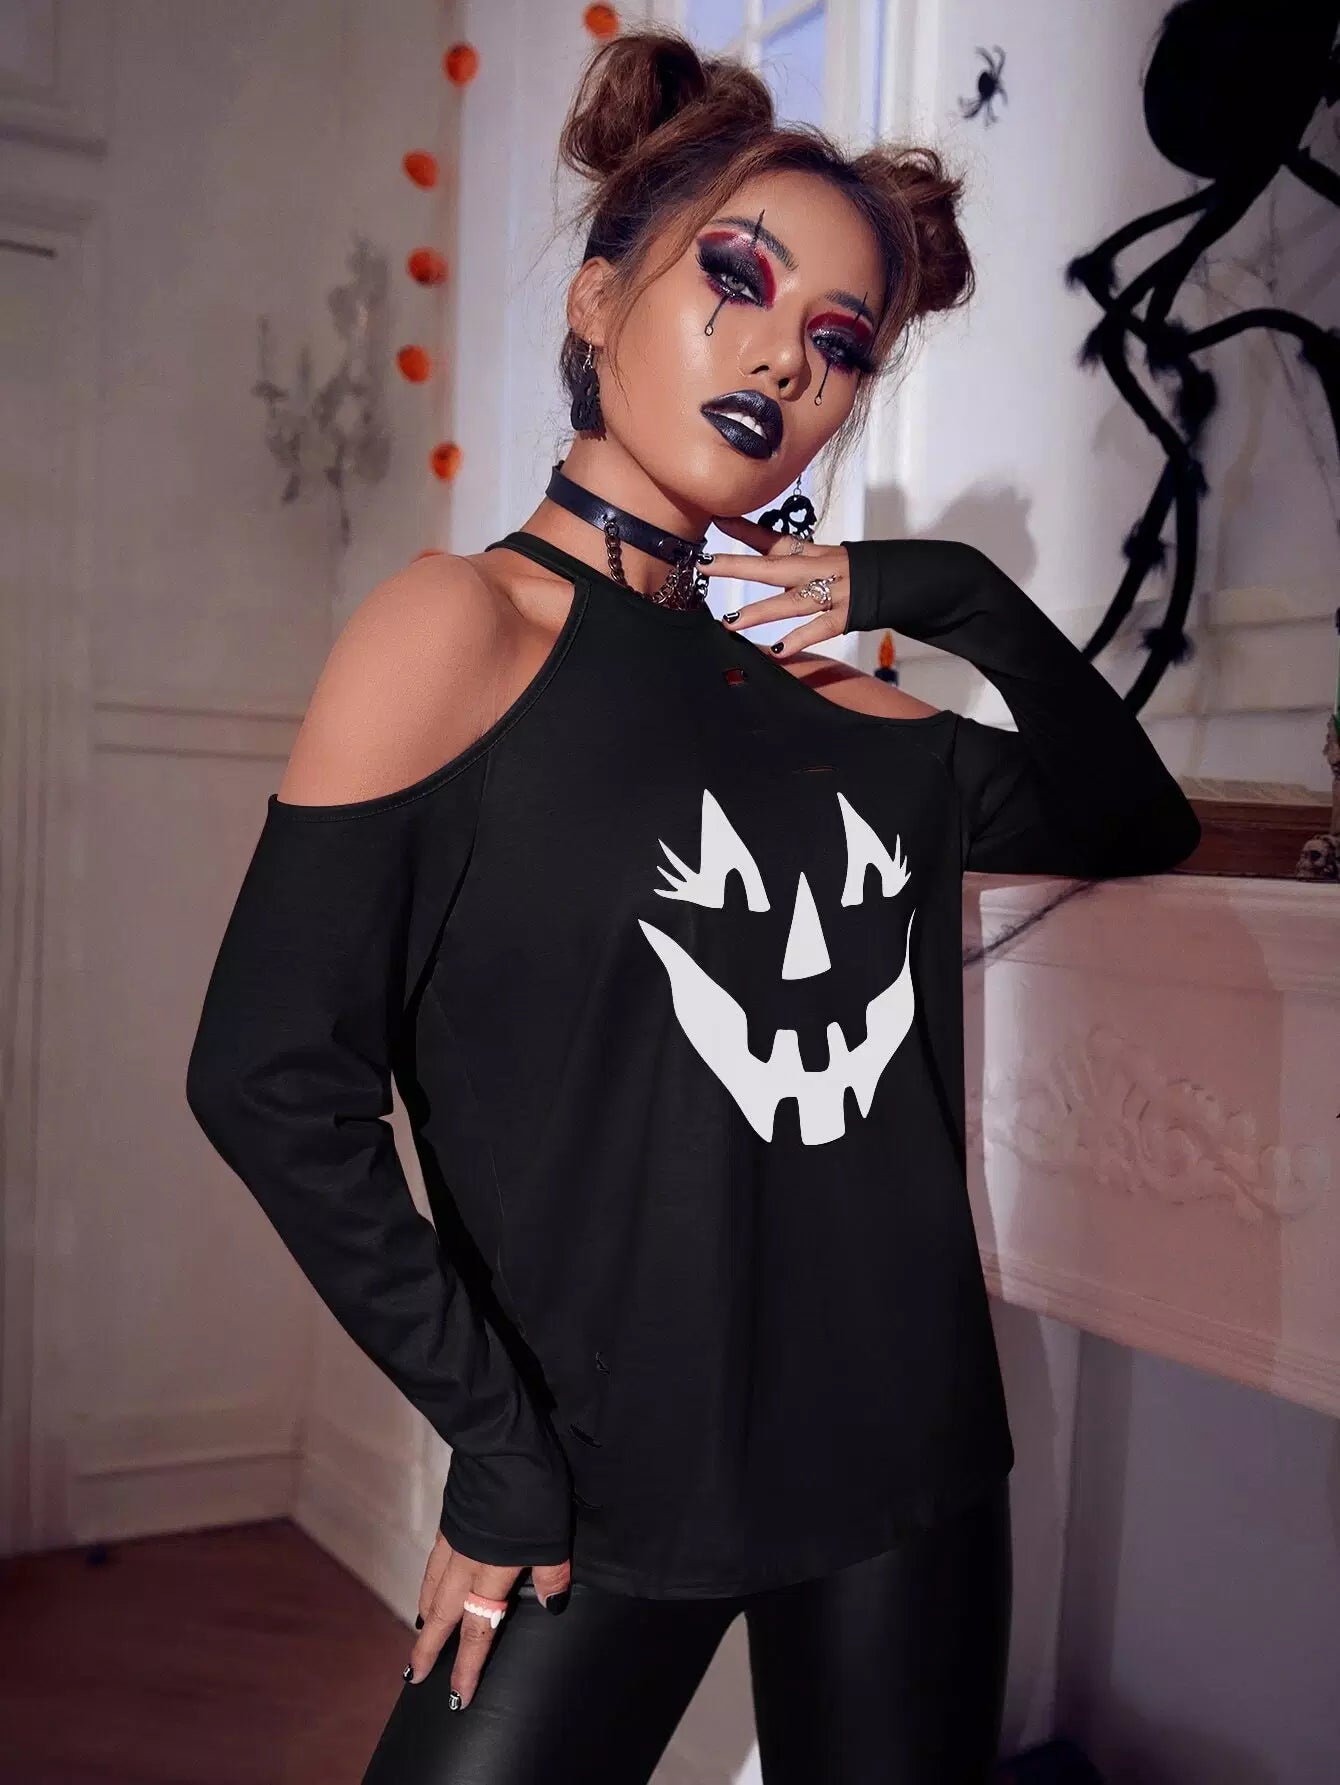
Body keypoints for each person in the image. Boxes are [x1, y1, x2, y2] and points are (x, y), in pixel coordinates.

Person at [185, 27, 1201, 1784]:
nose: (785, 355)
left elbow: (1137, 818)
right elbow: (268, 1075)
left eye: (840, 340)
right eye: (735, 276)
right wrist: (496, 1442)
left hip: (905, 1459)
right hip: (594, 1471)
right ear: (596, 302)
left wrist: (950, 591)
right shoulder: (459, 631)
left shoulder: (849, 715)